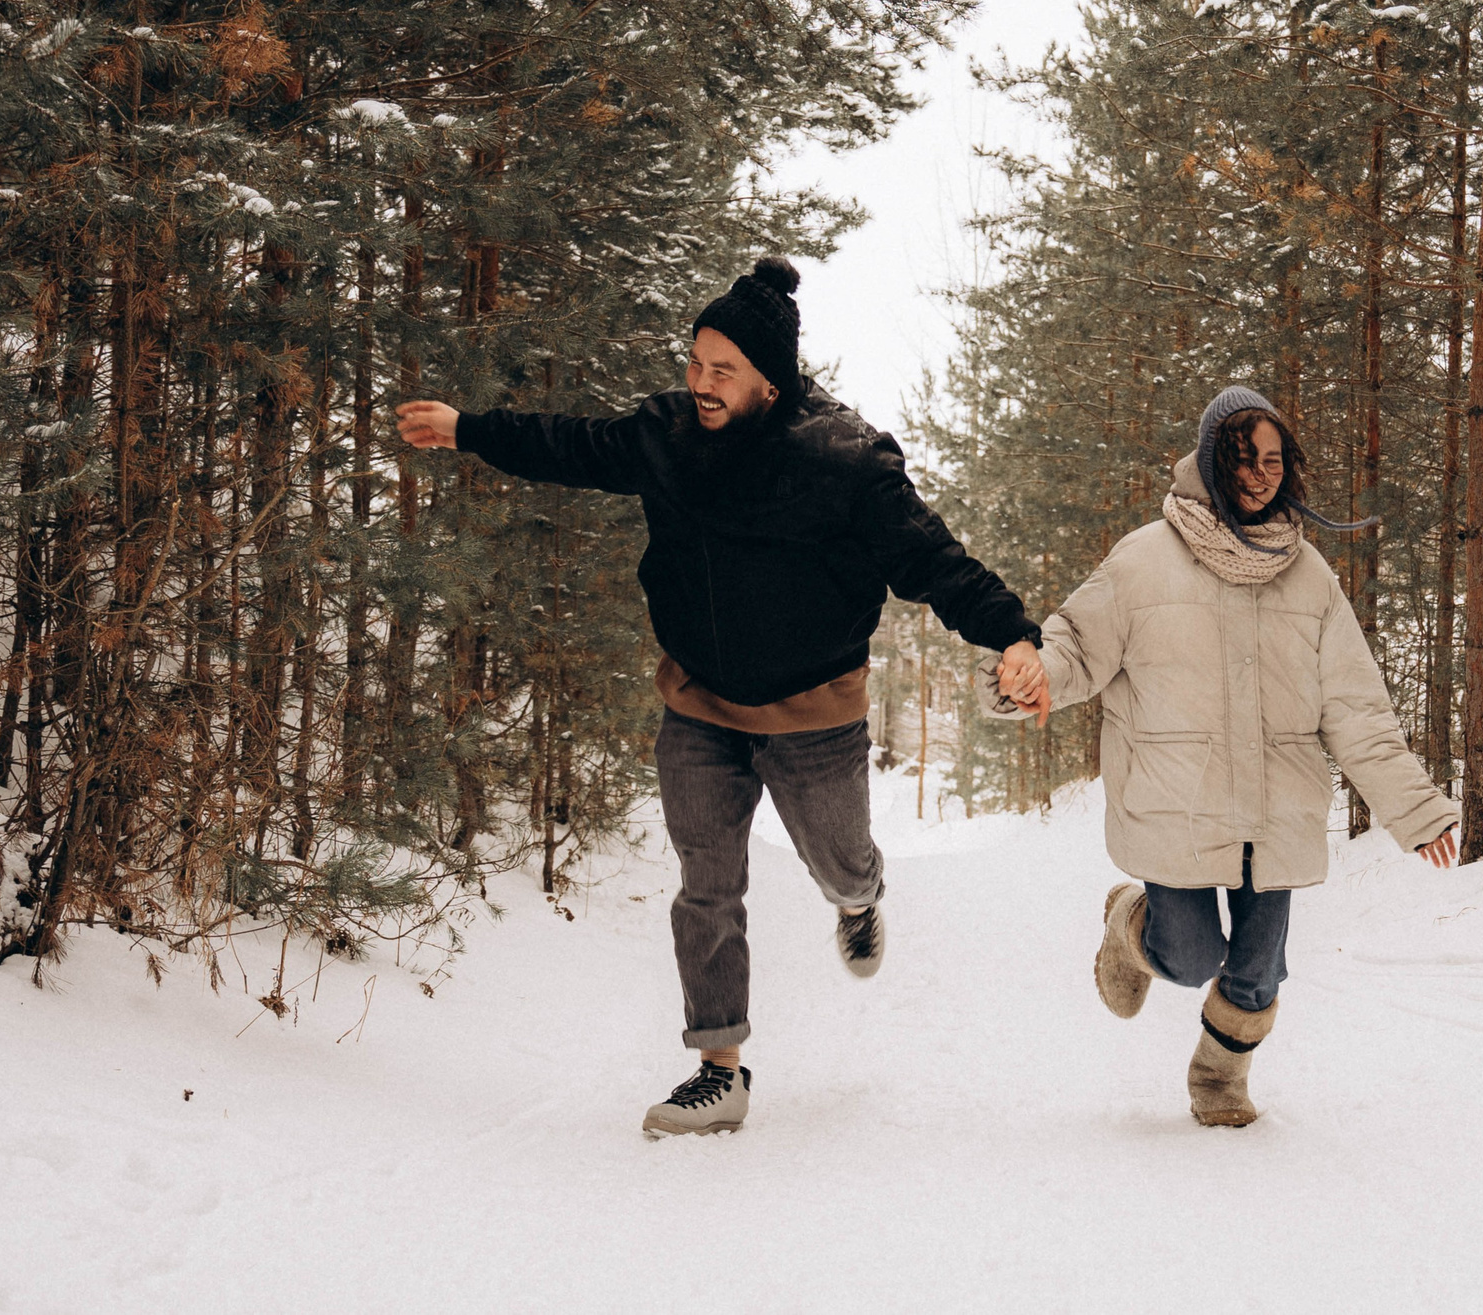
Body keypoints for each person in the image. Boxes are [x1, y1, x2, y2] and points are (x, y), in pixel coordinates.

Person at [397, 257, 1050, 1137]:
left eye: (723, 369)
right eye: (695, 363)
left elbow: (934, 560)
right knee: (707, 887)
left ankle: (859, 898)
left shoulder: (846, 458)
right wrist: (469, 428)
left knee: (840, 859)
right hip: (699, 704)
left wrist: (1013, 632)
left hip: (814, 714)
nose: (701, 384)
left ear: (769, 380)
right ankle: (720, 1067)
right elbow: (572, 444)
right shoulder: (668, 434)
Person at [982, 385, 1457, 1127]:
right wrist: (1029, 675)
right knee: (1192, 954)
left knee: (1261, 966)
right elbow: (1074, 642)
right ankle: (1127, 927)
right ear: (1210, 460)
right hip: (1179, 802)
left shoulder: (1310, 577)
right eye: (1244, 457)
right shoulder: (1144, 560)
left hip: (1278, 808)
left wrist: (1415, 809)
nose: (1261, 472)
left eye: (1274, 458)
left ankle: (1218, 1081)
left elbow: (1357, 709)